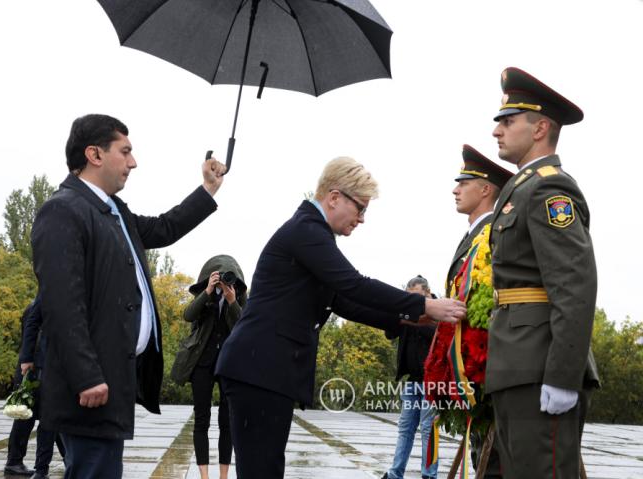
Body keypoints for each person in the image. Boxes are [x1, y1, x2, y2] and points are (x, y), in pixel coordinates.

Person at [215, 156, 467, 479]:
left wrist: (411, 320)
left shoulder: (312, 234)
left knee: (265, 470)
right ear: (334, 197)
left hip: (264, 371)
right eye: (360, 208)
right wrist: (426, 306)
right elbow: (354, 284)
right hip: (258, 369)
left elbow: (344, 302)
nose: (362, 219)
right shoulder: (307, 231)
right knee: (261, 471)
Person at [31, 113, 226, 479]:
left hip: (114, 380)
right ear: (95, 154)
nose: (133, 162)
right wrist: (86, 375)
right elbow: (61, 306)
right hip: (89, 387)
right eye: (125, 151)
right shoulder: (63, 210)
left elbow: (166, 227)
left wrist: (208, 188)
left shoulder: (113, 210)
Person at [487, 67, 599, 479]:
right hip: (518, 362)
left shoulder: (550, 189)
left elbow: (574, 285)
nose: (497, 130)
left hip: (540, 366)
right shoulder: (523, 188)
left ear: (541, 128)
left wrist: (563, 376)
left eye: (508, 121)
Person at [448, 145, 512, 478]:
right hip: (471, 368)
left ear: (486, 189)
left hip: (489, 365)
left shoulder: (493, 236)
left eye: (464, 182)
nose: (455, 189)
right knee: (482, 460)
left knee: (495, 464)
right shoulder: (475, 235)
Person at [170, 255, 248, 479]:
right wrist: (207, 291)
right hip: (202, 363)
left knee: (227, 421)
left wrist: (232, 301)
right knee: (201, 419)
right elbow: (188, 315)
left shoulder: (239, 296)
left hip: (229, 365)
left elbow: (245, 325)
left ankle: (223, 476)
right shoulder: (204, 294)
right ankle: (204, 476)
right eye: (219, 277)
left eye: (227, 277)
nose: (224, 281)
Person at [382, 275, 438, 479]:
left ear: (428, 294)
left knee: (428, 430)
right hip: (412, 380)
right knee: (405, 429)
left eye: (417, 297)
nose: (413, 301)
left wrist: (412, 319)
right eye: (409, 297)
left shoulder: (438, 311)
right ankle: (395, 473)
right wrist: (399, 313)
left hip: (433, 382)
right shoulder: (406, 312)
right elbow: (389, 333)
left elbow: (437, 334)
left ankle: (429, 475)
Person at [4, 297, 65, 479]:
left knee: (40, 418)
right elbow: (34, 338)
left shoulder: (36, 304)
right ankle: (17, 462)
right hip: (35, 370)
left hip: (34, 368)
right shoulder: (39, 306)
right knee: (36, 418)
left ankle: (17, 462)